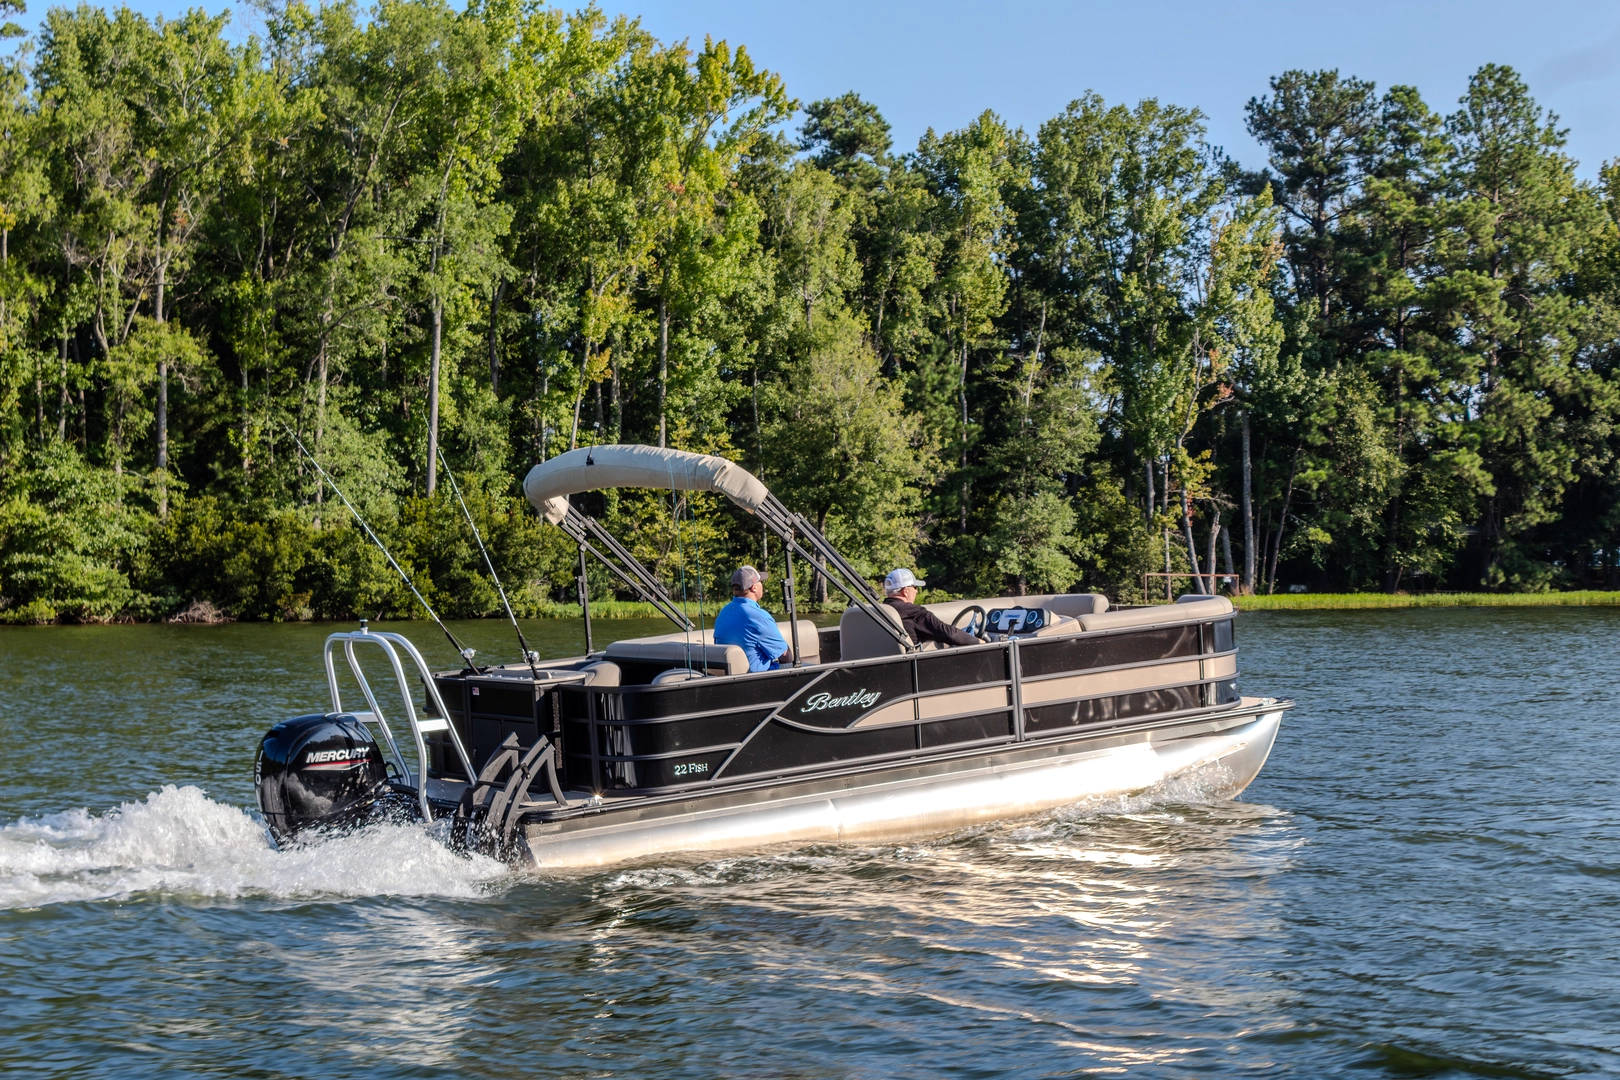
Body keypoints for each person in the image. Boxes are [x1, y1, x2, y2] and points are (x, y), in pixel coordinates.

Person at [712, 565, 792, 672]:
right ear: (754, 587)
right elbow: (785, 656)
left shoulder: (724, 612)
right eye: (761, 582)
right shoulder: (760, 618)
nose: (762, 585)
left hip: (730, 676)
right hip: (757, 680)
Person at [881, 568, 980, 648]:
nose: (917, 591)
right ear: (906, 591)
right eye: (915, 587)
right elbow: (949, 634)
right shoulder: (914, 612)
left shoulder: (881, 610)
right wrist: (978, 641)